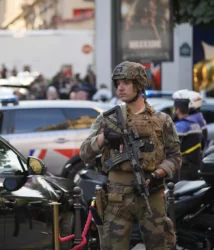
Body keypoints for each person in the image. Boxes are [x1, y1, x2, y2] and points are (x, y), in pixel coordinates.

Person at [80, 61, 180, 249]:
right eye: (118, 84)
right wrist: (103, 139)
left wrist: (156, 174)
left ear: (139, 85)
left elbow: (175, 157)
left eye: (125, 82)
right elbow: (84, 153)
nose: (120, 88)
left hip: (151, 194)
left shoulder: (162, 120)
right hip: (117, 197)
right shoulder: (107, 120)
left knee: (159, 244)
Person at [173, 97, 202, 181]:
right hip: (196, 166)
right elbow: (202, 143)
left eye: (174, 109)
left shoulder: (180, 126)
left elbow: (174, 148)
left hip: (184, 169)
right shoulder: (195, 124)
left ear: (177, 110)